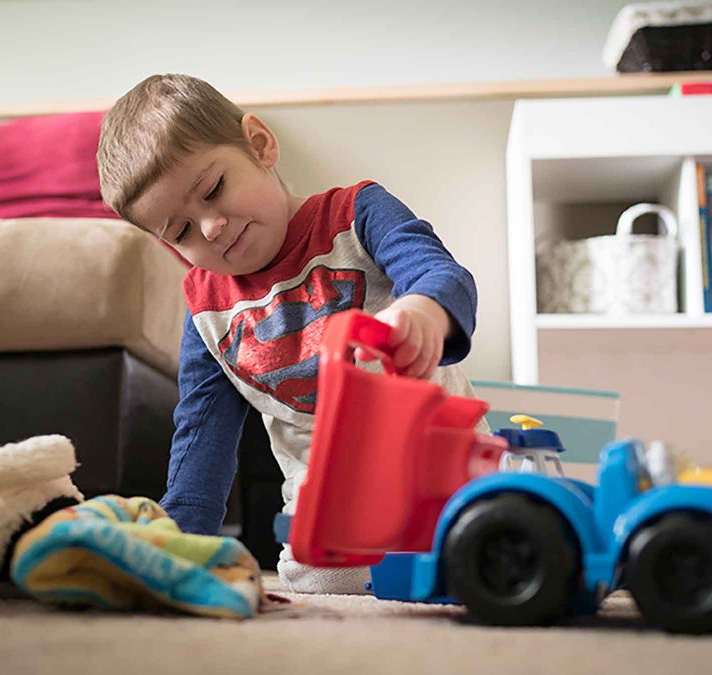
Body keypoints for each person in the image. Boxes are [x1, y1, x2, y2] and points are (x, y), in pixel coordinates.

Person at [97, 73, 480, 593]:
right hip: (327, 499)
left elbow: (443, 275)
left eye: (212, 190)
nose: (210, 227)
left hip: (439, 458)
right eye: (182, 231)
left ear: (260, 144)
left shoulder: (358, 212)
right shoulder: (206, 308)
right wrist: (178, 544)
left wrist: (422, 311)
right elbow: (202, 433)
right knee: (321, 587)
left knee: (475, 563)